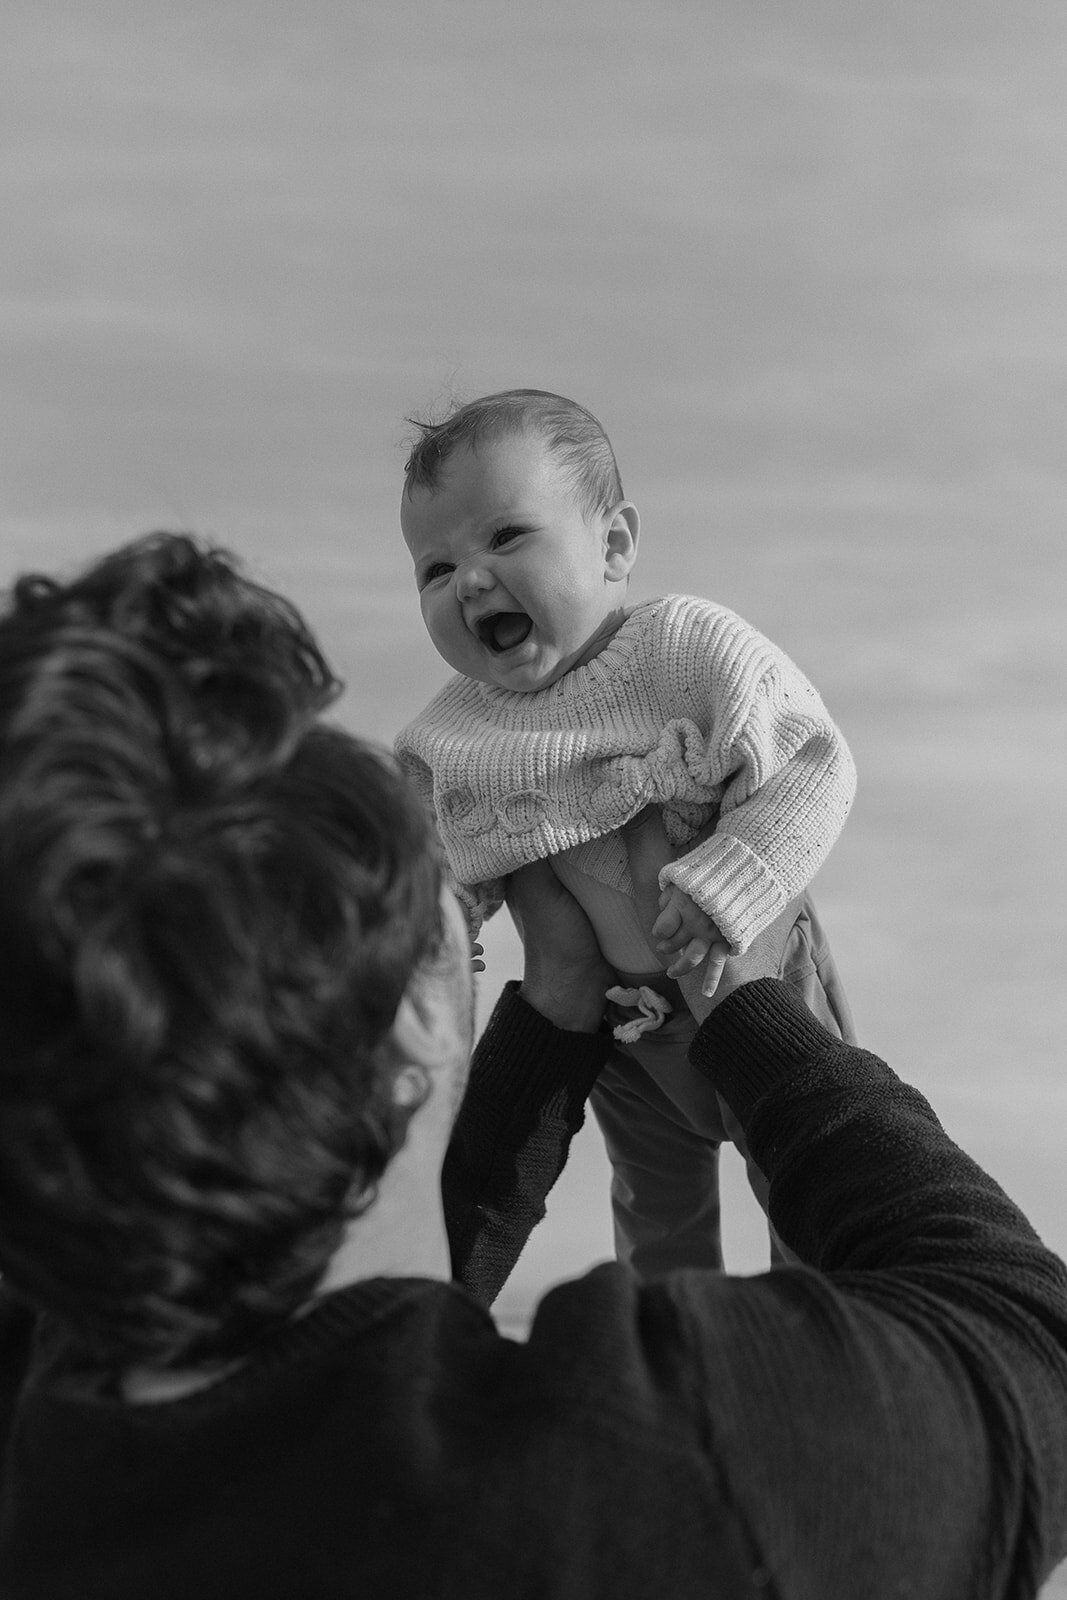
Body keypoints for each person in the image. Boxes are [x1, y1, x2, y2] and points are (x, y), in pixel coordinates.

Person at [0, 532, 1066, 1597]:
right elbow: (1032, 1344)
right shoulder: (665, 1465)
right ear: (417, 1014)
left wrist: (558, 1004)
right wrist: (743, 999)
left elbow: (333, 1342)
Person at [395, 388, 857, 1273]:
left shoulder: (685, 650)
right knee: (653, 1201)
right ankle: (668, 1347)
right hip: (626, 1027)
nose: (471, 580)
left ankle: (820, 1336)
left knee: (802, 1174)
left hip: (750, 972)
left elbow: (809, 760)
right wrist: (434, 928)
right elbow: (423, 859)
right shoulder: (447, 737)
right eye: (434, 569)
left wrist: (733, 878)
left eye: (505, 537)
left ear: (612, 545)